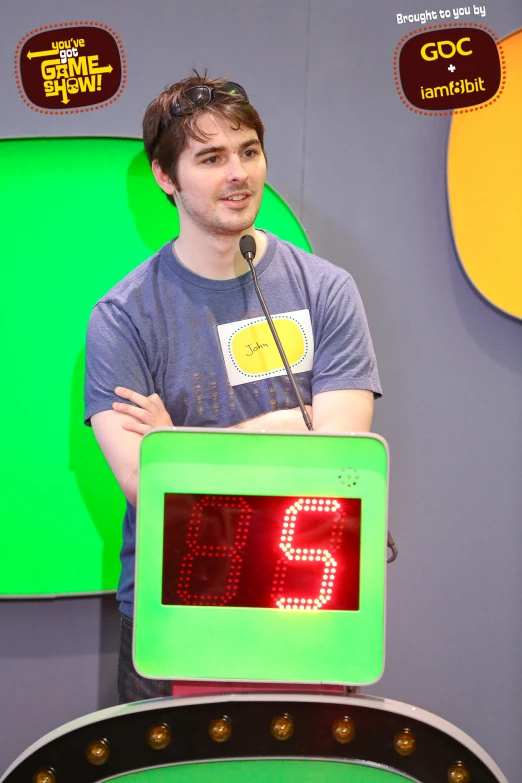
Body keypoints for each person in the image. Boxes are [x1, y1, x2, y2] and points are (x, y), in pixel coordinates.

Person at [84, 72, 382, 704]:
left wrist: (183, 446)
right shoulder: (123, 316)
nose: (238, 174)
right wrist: (289, 426)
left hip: (309, 601)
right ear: (167, 178)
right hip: (175, 608)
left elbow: (341, 455)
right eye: (212, 158)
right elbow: (147, 481)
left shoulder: (325, 289)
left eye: (248, 151)